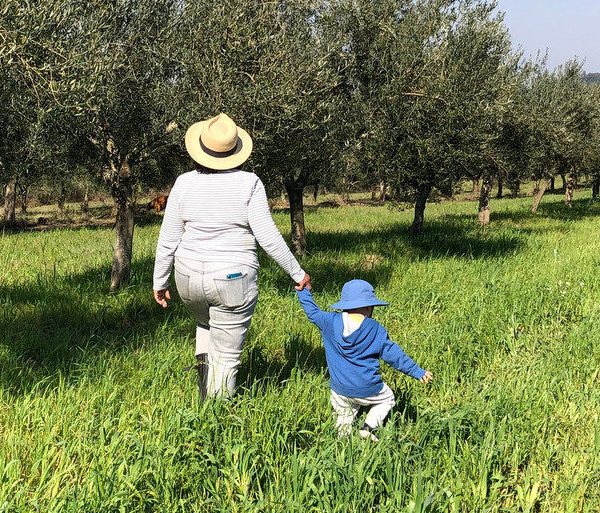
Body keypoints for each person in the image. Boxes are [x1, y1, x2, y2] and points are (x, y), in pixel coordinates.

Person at [153, 113, 310, 402]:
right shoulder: (248, 183)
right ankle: (214, 421)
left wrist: (159, 280)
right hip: (232, 279)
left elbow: (168, 238)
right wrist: (298, 273)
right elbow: (268, 237)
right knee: (226, 359)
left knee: (205, 323)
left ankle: (204, 392)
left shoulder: (183, 183)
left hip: (187, 277)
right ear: (235, 152)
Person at [295, 277, 433, 439]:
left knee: (343, 416)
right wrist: (417, 371)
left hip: (339, 388)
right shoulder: (376, 330)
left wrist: (303, 291)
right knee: (387, 399)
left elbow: (312, 312)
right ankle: (369, 427)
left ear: (345, 304)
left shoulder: (329, 322)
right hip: (368, 388)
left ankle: (341, 444)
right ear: (368, 307)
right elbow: (395, 356)